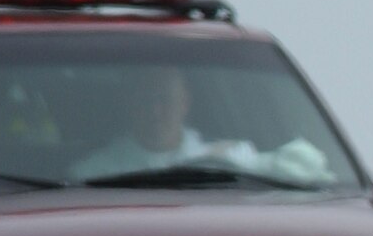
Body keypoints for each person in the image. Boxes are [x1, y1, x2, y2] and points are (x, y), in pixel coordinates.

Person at [69, 64, 327, 184]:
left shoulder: (232, 159)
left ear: (184, 103)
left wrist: (224, 163)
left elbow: (311, 167)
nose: (156, 111)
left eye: (165, 100)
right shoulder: (94, 173)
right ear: (130, 105)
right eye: (146, 101)